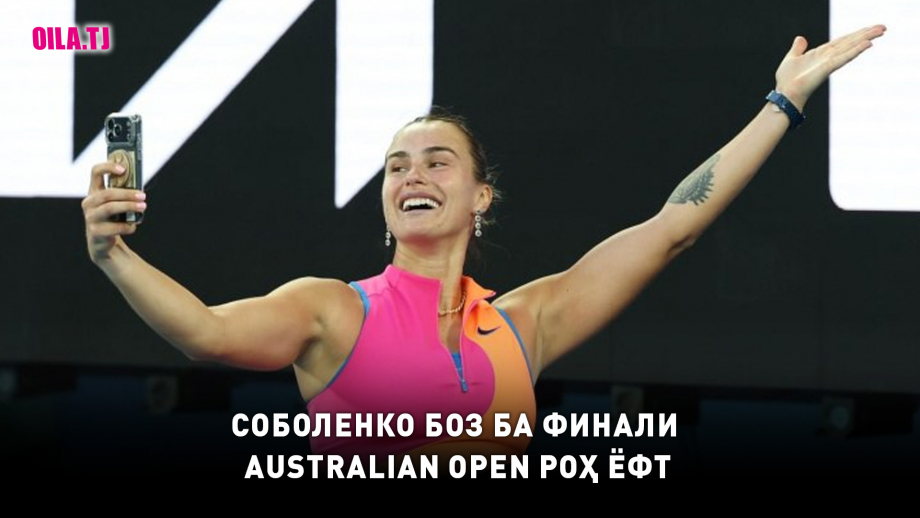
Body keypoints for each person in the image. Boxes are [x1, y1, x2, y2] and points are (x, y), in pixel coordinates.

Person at [82, 24, 886, 467]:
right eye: (397, 165)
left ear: (480, 197)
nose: (412, 174)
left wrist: (783, 102)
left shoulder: (524, 325)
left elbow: (674, 227)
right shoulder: (330, 312)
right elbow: (206, 332)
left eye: (437, 161)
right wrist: (115, 256)